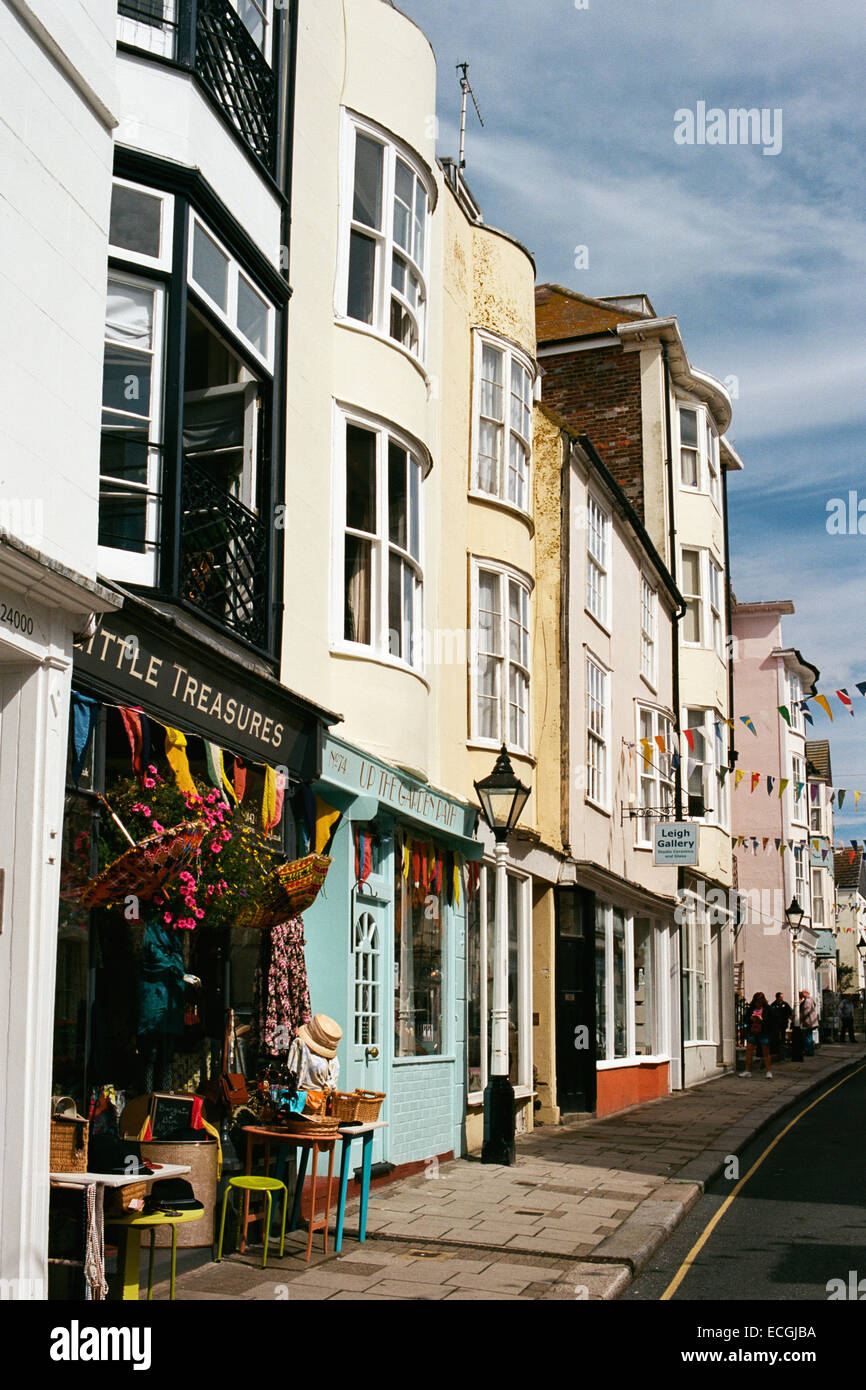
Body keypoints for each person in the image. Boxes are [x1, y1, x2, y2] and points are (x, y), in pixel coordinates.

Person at [741, 992, 773, 1077]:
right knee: (749, 1051)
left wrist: (762, 1019)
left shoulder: (768, 1009)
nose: (758, 1004)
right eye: (757, 1002)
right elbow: (746, 1019)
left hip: (764, 1031)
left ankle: (768, 1071)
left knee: (765, 1051)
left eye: (760, 1002)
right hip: (753, 1031)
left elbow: (772, 1021)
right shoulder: (751, 1008)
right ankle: (747, 1070)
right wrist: (751, 1019)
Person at [768, 991, 793, 1061]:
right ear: (777, 997)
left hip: (783, 1024)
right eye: (781, 997)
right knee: (776, 1037)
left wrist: (791, 1019)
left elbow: (789, 1012)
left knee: (783, 1036)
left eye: (782, 997)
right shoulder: (773, 1005)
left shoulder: (785, 1004)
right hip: (775, 1024)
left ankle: (782, 1052)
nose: (782, 998)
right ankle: (776, 1050)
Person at [799, 990, 819, 1056]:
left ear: (805, 993)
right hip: (812, 1021)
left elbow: (806, 1012)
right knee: (809, 1036)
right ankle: (810, 1051)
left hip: (808, 1022)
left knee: (807, 1037)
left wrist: (801, 1019)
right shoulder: (811, 1000)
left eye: (802, 994)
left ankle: (808, 1051)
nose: (801, 995)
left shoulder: (807, 1001)